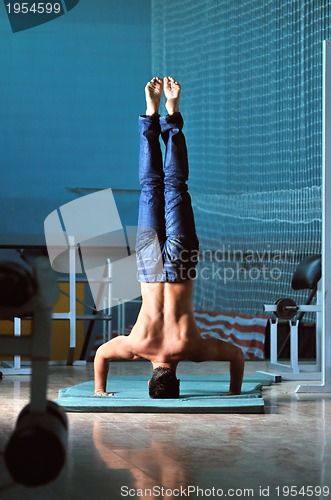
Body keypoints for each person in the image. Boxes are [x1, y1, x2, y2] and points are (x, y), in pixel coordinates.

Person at [94, 76, 244, 398]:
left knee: (175, 187)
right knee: (151, 188)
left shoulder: (191, 348)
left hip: (180, 266)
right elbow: (101, 355)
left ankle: (172, 117)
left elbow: (236, 356)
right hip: (149, 267)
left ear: (178, 380)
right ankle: (150, 115)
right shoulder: (136, 346)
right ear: (150, 381)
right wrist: (98, 390)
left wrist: (234, 393)